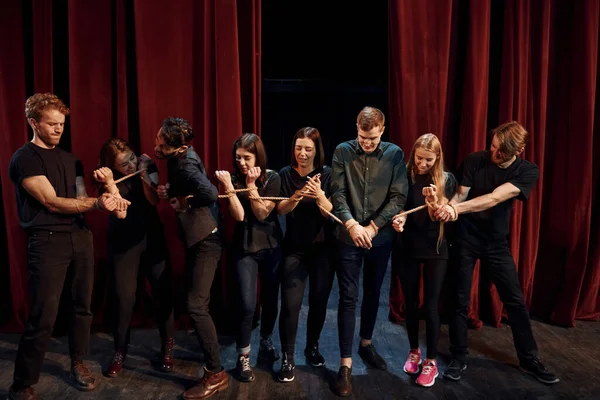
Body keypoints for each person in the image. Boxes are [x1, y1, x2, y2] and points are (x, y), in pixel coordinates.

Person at [7, 93, 129, 400]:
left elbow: (78, 199)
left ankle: (79, 362)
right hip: (47, 241)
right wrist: (98, 202)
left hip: (80, 238)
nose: (59, 129)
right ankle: (22, 384)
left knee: (81, 308)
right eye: (52, 124)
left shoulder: (71, 159)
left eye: (62, 124)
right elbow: (52, 202)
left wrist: (107, 197)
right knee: (43, 315)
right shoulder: (24, 158)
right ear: (33, 123)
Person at [434, 121, 559, 384]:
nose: (494, 153)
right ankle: (458, 356)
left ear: (520, 150)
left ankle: (529, 359)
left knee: (514, 301)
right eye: (493, 146)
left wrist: (457, 209)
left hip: (495, 243)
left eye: (501, 151)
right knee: (459, 299)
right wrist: (447, 207)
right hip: (465, 239)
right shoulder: (475, 160)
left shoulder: (527, 171)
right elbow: (460, 195)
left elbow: (493, 198)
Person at [330, 106, 408, 396]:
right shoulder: (342, 151)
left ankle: (365, 344)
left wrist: (373, 227)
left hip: (379, 236)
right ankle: (345, 365)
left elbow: (399, 195)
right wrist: (352, 225)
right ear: (357, 129)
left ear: (382, 130)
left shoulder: (395, 154)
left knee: (374, 292)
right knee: (348, 297)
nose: (367, 143)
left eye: (373, 139)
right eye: (363, 138)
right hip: (348, 235)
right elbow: (337, 193)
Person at [154, 117, 228, 399]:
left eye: (161, 142)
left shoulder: (185, 162)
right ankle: (213, 368)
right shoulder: (178, 158)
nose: (156, 144)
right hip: (196, 237)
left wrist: (186, 201)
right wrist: (171, 192)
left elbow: (209, 192)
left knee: (196, 306)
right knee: (196, 303)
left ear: (178, 146)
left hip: (206, 239)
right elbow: (184, 186)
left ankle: (216, 374)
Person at [93, 138, 175, 378]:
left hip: (151, 236)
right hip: (123, 242)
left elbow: (153, 201)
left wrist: (143, 174)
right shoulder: (105, 179)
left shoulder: (145, 167)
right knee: (123, 298)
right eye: (124, 164)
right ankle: (120, 350)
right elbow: (121, 212)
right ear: (112, 166)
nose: (129, 165)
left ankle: (167, 346)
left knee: (163, 290)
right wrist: (110, 183)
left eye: (131, 159)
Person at [214, 133, 282, 383]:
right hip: (243, 248)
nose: (241, 162)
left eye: (247, 157)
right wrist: (230, 188)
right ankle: (243, 356)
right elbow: (240, 215)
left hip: (272, 247)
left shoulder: (273, 178)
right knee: (246, 304)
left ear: (258, 157)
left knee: (270, 300)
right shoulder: (233, 179)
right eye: (238, 158)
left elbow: (263, 213)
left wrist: (252, 186)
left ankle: (265, 339)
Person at [391, 133, 456, 387]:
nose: (422, 163)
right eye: (419, 158)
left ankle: (430, 361)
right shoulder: (405, 175)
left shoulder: (446, 180)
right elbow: (400, 206)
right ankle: (414, 351)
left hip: (435, 248)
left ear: (437, 157)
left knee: (430, 306)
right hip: (407, 245)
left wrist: (433, 201)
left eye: (428, 160)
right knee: (409, 303)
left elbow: (438, 216)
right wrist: (399, 219)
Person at [275, 127, 335, 383]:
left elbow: (331, 212)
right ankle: (287, 358)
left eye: (308, 149)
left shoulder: (328, 174)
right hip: (295, 248)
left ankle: (312, 347)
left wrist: (319, 194)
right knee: (290, 304)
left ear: (316, 151)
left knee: (319, 302)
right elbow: (280, 209)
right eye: (299, 148)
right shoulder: (286, 174)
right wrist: (298, 195)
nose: (302, 153)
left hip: (323, 249)